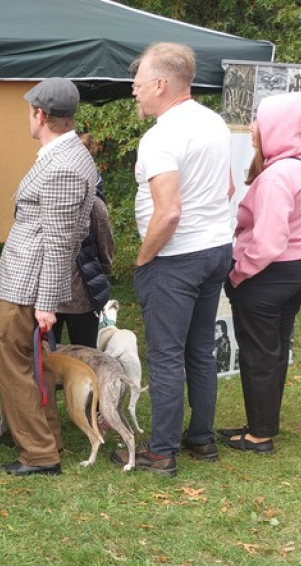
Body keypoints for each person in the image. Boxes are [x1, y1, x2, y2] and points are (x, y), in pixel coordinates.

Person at [113, 42, 234, 476]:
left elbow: (170, 211)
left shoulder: (162, 135)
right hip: (216, 248)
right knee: (199, 348)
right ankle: (201, 438)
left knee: (166, 355)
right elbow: (229, 190)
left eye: (139, 83)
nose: (134, 91)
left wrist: (144, 260)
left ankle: (160, 452)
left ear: (161, 84)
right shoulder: (214, 122)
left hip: (176, 256)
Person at [0, 77, 99, 476]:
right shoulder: (64, 154)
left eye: (28, 110)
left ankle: (38, 453)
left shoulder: (65, 165)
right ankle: (46, 441)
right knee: (30, 366)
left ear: (41, 114)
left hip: (29, 284)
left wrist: (48, 305)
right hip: (27, 279)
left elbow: (58, 242)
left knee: (13, 366)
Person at [220, 91, 301, 454]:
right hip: (299, 269)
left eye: (259, 120)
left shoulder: (279, 175)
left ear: (279, 126)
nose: (252, 128)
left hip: (268, 274)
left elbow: (267, 241)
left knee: (259, 353)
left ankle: (259, 435)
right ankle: (263, 422)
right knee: (274, 350)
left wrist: (238, 273)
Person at [52, 134, 115, 348]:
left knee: (46, 358)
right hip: (82, 292)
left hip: (48, 291)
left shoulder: (48, 193)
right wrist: (105, 267)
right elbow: (106, 245)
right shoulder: (94, 203)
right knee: (87, 355)